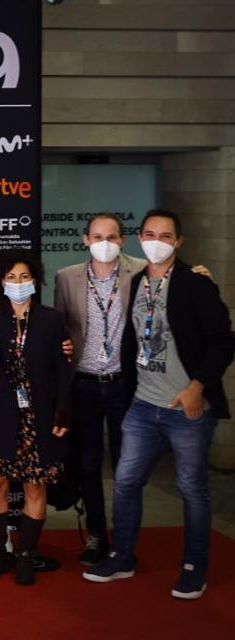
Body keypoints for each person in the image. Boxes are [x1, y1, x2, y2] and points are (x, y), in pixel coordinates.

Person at [84, 209, 234, 600]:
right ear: (138, 237)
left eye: (166, 236)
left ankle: (193, 567)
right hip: (142, 405)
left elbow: (223, 341)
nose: (157, 241)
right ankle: (122, 556)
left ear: (178, 241)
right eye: (149, 233)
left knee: (191, 488)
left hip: (186, 408)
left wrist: (198, 387)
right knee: (127, 483)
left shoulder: (195, 284)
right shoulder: (135, 282)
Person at [0, 251, 70, 586]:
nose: (18, 283)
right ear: (1, 281)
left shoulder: (51, 319)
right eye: (11, 278)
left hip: (39, 415)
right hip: (2, 412)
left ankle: (27, 552)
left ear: (35, 280)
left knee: (34, 485)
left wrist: (63, 412)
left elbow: (61, 370)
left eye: (24, 277)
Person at [52, 213, 145, 566]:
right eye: (97, 236)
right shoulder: (66, 277)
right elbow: (61, 328)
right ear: (85, 239)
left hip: (124, 384)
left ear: (122, 240)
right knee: (88, 465)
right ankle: (96, 535)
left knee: (127, 467)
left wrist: (198, 276)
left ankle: (125, 540)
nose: (105, 242)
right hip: (85, 384)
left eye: (112, 236)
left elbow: (175, 281)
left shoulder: (140, 271)